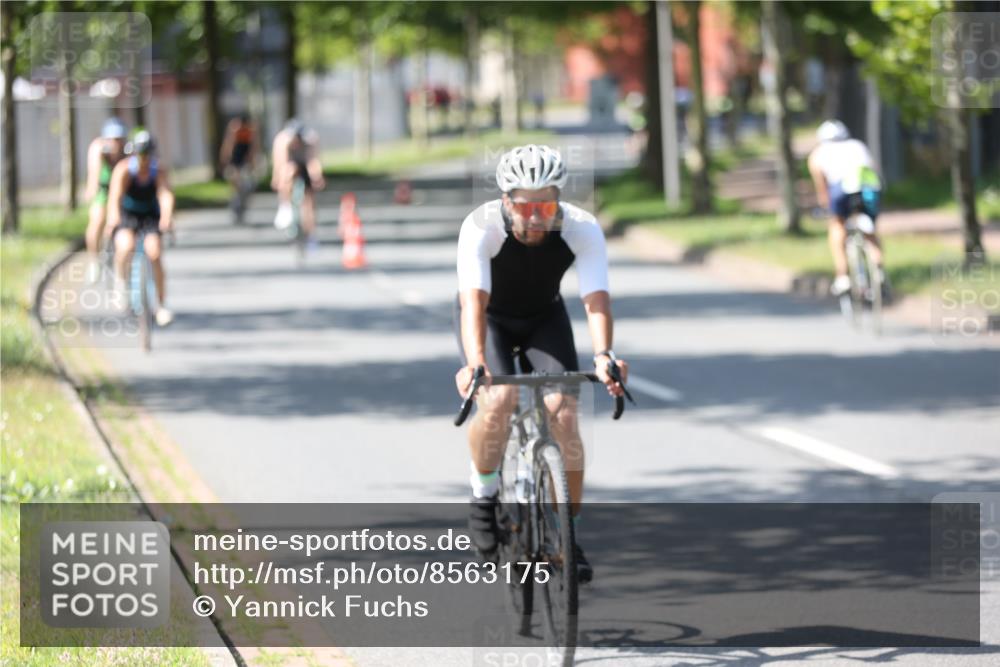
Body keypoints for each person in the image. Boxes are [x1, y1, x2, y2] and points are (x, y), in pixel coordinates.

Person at [454, 144, 629, 584]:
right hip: (491, 320)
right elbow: (473, 304)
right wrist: (476, 364)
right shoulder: (480, 227)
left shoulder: (581, 228)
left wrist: (604, 355)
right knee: (499, 400)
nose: (535, 217)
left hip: (544, 317)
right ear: (505, 201)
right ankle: (484, 495)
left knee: (564, 413)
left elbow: (596, 299)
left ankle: (568, 533)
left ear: (559, 202)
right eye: (524, 206)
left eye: (546, 206)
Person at [807, 119, 886, 297]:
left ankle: (842, 276)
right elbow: (873, 169)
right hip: (869, 188)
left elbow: (822, 187)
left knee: (837, 225)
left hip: (841, 188)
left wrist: (825, 206)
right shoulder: (858, 145)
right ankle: (879, 269)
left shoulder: (818, 153)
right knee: (869, 230)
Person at [106, 130, 176, 327]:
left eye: (147, 154)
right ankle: (121, 284)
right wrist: (113, 218)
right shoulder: (124, 170)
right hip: (128, 215)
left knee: (155, 253)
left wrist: (167, 217)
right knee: (125, 246)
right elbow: (115, 197)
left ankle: (161, 305)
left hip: (149, 216)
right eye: (140, 154)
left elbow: (165, 194)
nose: (143, 159)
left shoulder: (158, 171)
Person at [84, 117, 128, 282]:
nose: (117, 143)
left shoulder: (127, 151)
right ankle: (94, 260)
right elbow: (94, 172)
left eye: (119, 139)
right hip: (103, 190)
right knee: (96, 222)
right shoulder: (98, 149)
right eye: (113, 139)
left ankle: (121, 270)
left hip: (120, 192)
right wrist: (91, 189)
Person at [271, 119, 325, 246]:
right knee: (288, 172)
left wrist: (317, 177)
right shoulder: (282, 141)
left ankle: (311, 232)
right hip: (289, 165)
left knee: (309, 200)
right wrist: (277, 179)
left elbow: (313, 161)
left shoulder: (311, 140)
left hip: (304, 163)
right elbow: (280, 163)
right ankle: (285, 205)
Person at [219, 112, 260, 217]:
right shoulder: (234, 128)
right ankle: (235, 199)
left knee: (248, 181)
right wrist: (225, 159)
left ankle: (242, 201)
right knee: (235, 179)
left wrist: (253, 161)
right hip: (235, 157)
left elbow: (254, 146)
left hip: (245, 157)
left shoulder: (251, 129)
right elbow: (229, 144)